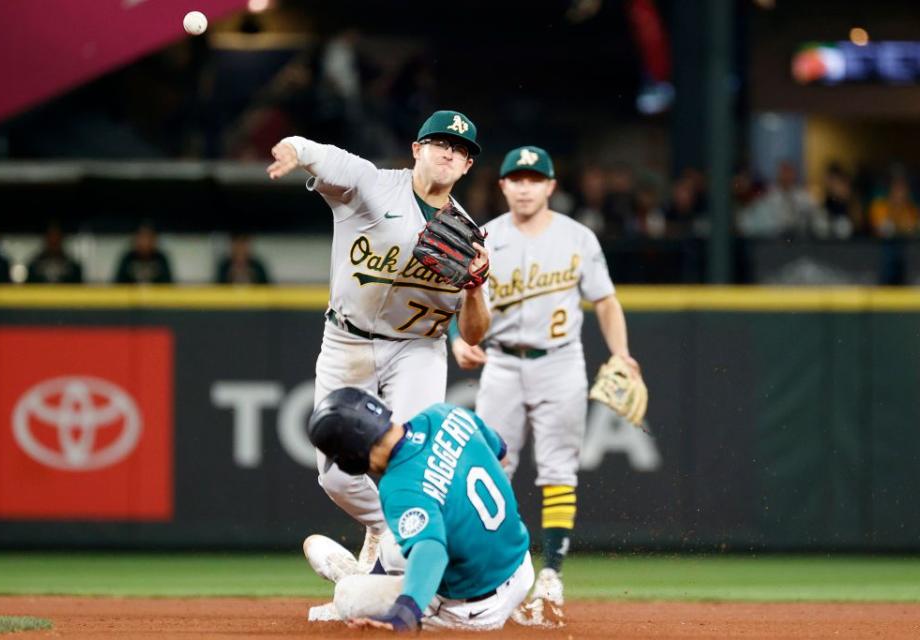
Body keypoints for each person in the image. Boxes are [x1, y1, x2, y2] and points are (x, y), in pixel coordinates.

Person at [266, 110, 491, 577]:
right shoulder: (371, 185)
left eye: (462, 150)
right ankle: (393, 532)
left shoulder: (470, 237)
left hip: (417, 350)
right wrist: (292, 148)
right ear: (417, 150)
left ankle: (397, 562)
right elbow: (321, 156)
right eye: (440, 143)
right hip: (346, 341)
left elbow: (472, 333)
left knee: (413, 462)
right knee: (335, 473)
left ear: (468, 167)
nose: (450, 152)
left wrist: (475, 288)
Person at [451, 146, 645, 624]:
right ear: (502, 186)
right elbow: (455, 299)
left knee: (559, 470)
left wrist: (621, 353)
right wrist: (456, 339)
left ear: (551, 187)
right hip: (501, 362)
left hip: (559, 362)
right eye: (515, 178)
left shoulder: (578, 238)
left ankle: (552, 573)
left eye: (534, 179)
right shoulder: (485, 237)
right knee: (492, 469)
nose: (524, 186)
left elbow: (605, 301)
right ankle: (504, 571)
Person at [303, 387, 533, 631]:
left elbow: (432, 550)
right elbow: (501, 455)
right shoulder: (444, 414)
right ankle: (372, 576)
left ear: (351, 453)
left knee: (346, 595)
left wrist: (403, 617)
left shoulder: (398, 487)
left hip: (473, 611)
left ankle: (353, 579)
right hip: (520, 567)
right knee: (392, 543)